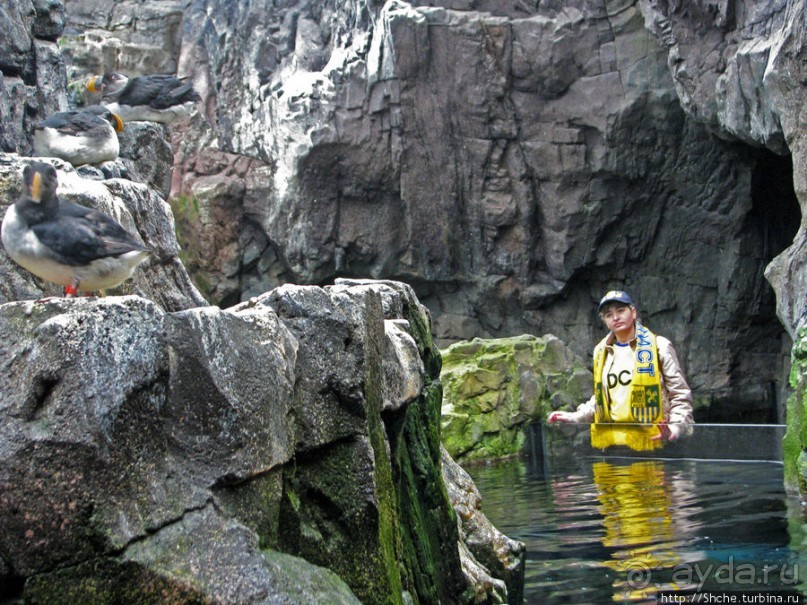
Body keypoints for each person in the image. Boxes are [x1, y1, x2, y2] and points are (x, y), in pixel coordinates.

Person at [548, 290, 694, 451]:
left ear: (633, 312)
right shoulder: (602, 352)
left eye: (620, 310)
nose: (615, 317)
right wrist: (575, 417)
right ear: (604, 321)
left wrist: (675, 428)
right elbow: (601, 399)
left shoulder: (659, 346)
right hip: (615, 446)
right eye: (608, 314)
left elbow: (680, 395)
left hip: (656, 443)